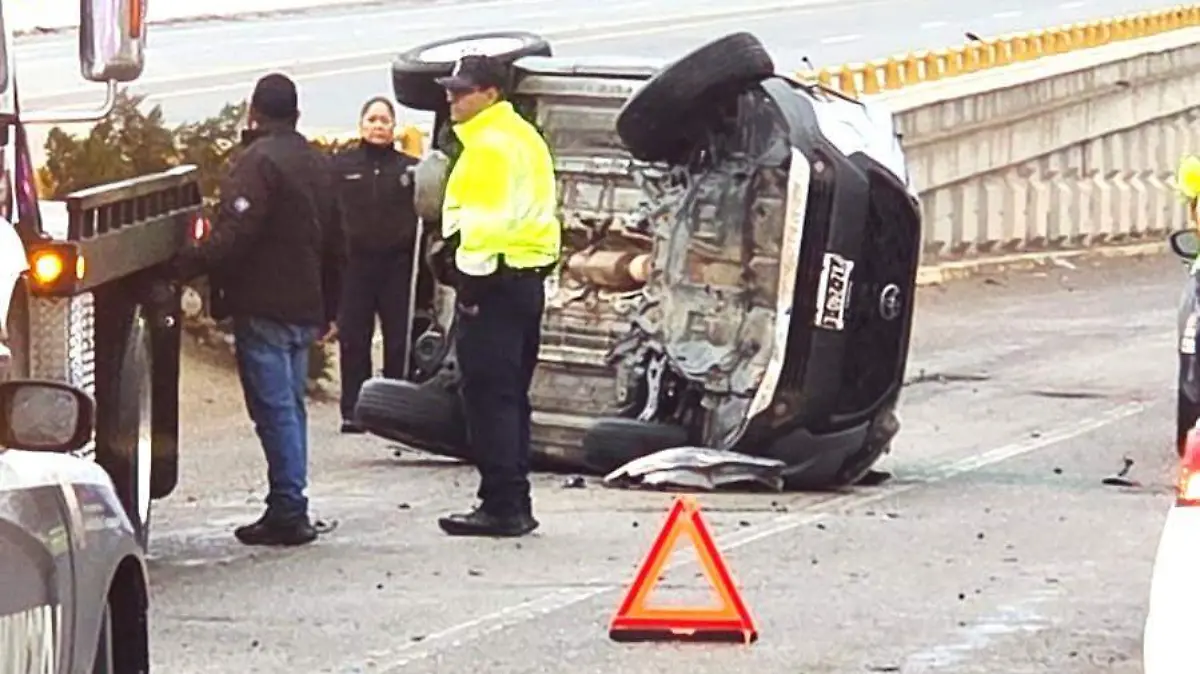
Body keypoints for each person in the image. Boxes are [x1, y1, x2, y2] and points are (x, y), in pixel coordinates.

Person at [171, 72, 343, 547]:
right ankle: (293, 499)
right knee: (291, 407)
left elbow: (235, 236)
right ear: (296, 112)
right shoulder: (317, 162)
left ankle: (288, 508)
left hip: (265, 303)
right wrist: (331, 305)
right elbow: (336, 240)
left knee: (275, 411)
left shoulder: (256, 162)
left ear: (254, 112)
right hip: (304, 304)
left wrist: (183, 265)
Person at [433, 55, 561, 538]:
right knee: (511, 395)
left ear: (490, 94)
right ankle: (514, 498)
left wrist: (465, 278)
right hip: (525, 282)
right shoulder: (525, 138)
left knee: (487, 395)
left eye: (462, 90)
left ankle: (502, 503)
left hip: (492, 283)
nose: (451, 97)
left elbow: (484, 228)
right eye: (450, 89)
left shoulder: (487, 146)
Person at [330, 96, 422, 433]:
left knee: (399, 338)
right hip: (354, 265)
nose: (378, 126)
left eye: (385, 121)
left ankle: (395, 413)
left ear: (394, 127)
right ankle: (354, 410)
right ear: (361, 125)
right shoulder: (340, 166)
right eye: (372, 120)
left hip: (397, 266)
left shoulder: (411, 168)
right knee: (354, 337)